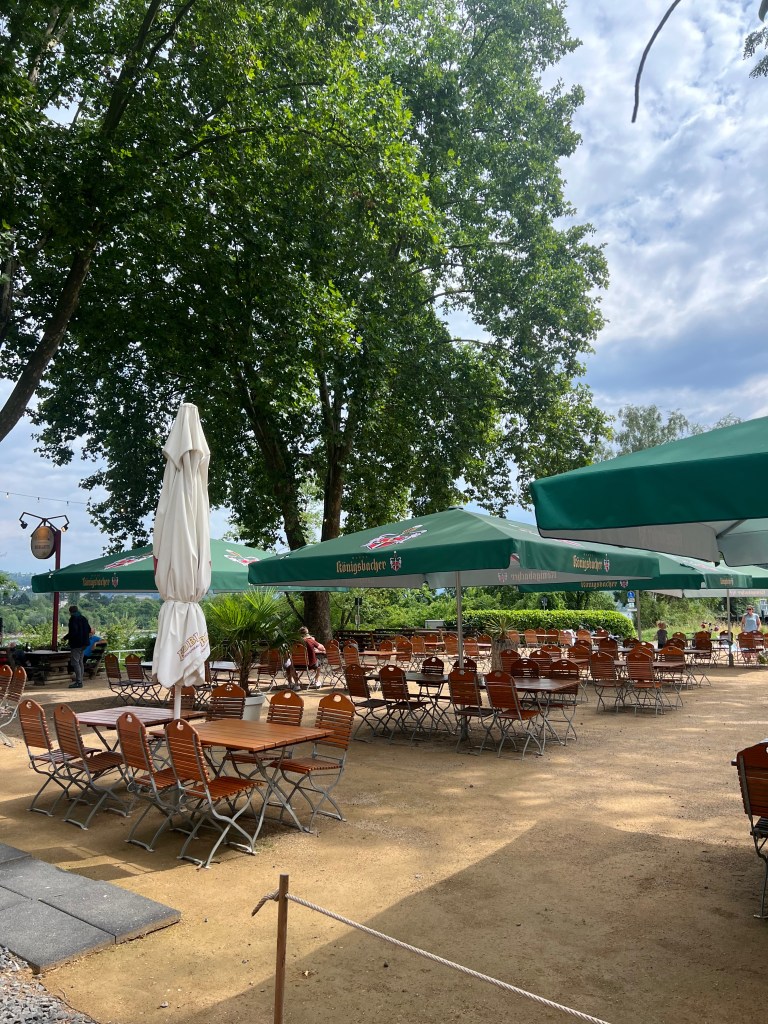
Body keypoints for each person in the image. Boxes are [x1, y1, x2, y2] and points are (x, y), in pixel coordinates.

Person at [63, 604, 91, 689]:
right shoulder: (83, 618)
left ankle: (78, 682)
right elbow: (89, 629)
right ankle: (80, 680)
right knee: (80, 662)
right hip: (85, 643)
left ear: (70, 612)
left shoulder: (73, 619)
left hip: (76, 644)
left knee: (75, 662)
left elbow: (73, 632)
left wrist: (66, 637)